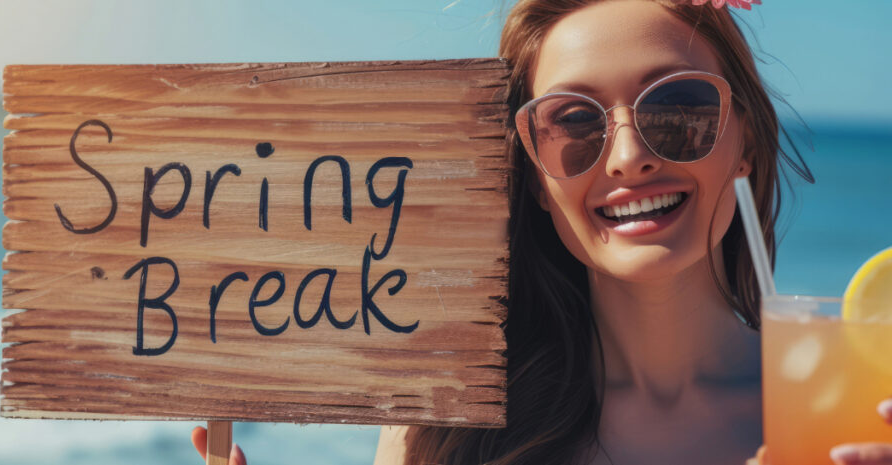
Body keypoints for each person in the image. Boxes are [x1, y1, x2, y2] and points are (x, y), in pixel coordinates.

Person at [192, 0, 892, 463]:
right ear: (533, 175)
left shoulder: (855, 405)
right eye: (575, 122)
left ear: (744, 140)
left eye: (678, 107)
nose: (628, 156)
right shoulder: (448, 432)